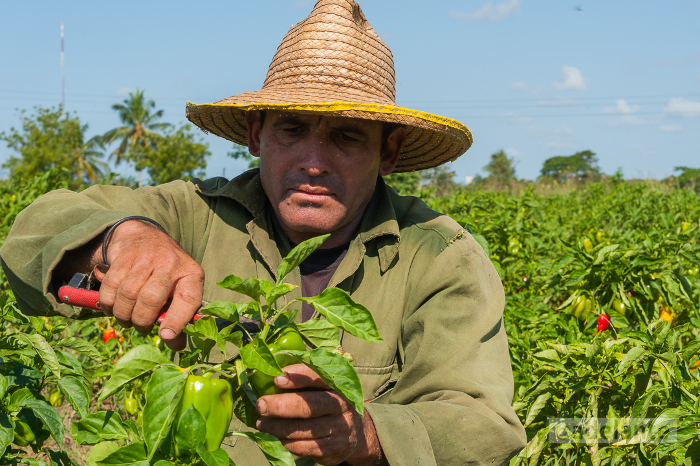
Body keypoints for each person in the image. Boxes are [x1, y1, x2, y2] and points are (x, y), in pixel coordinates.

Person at [0, 0, 526, 464]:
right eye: (292, 129)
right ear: (256, 134)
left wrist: (366, 436)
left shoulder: (437, 255)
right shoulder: (197, 215)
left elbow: (484, 424)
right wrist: (124, 237)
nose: (313, 162)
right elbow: (33, 233)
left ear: (387, 152)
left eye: (346, 137)